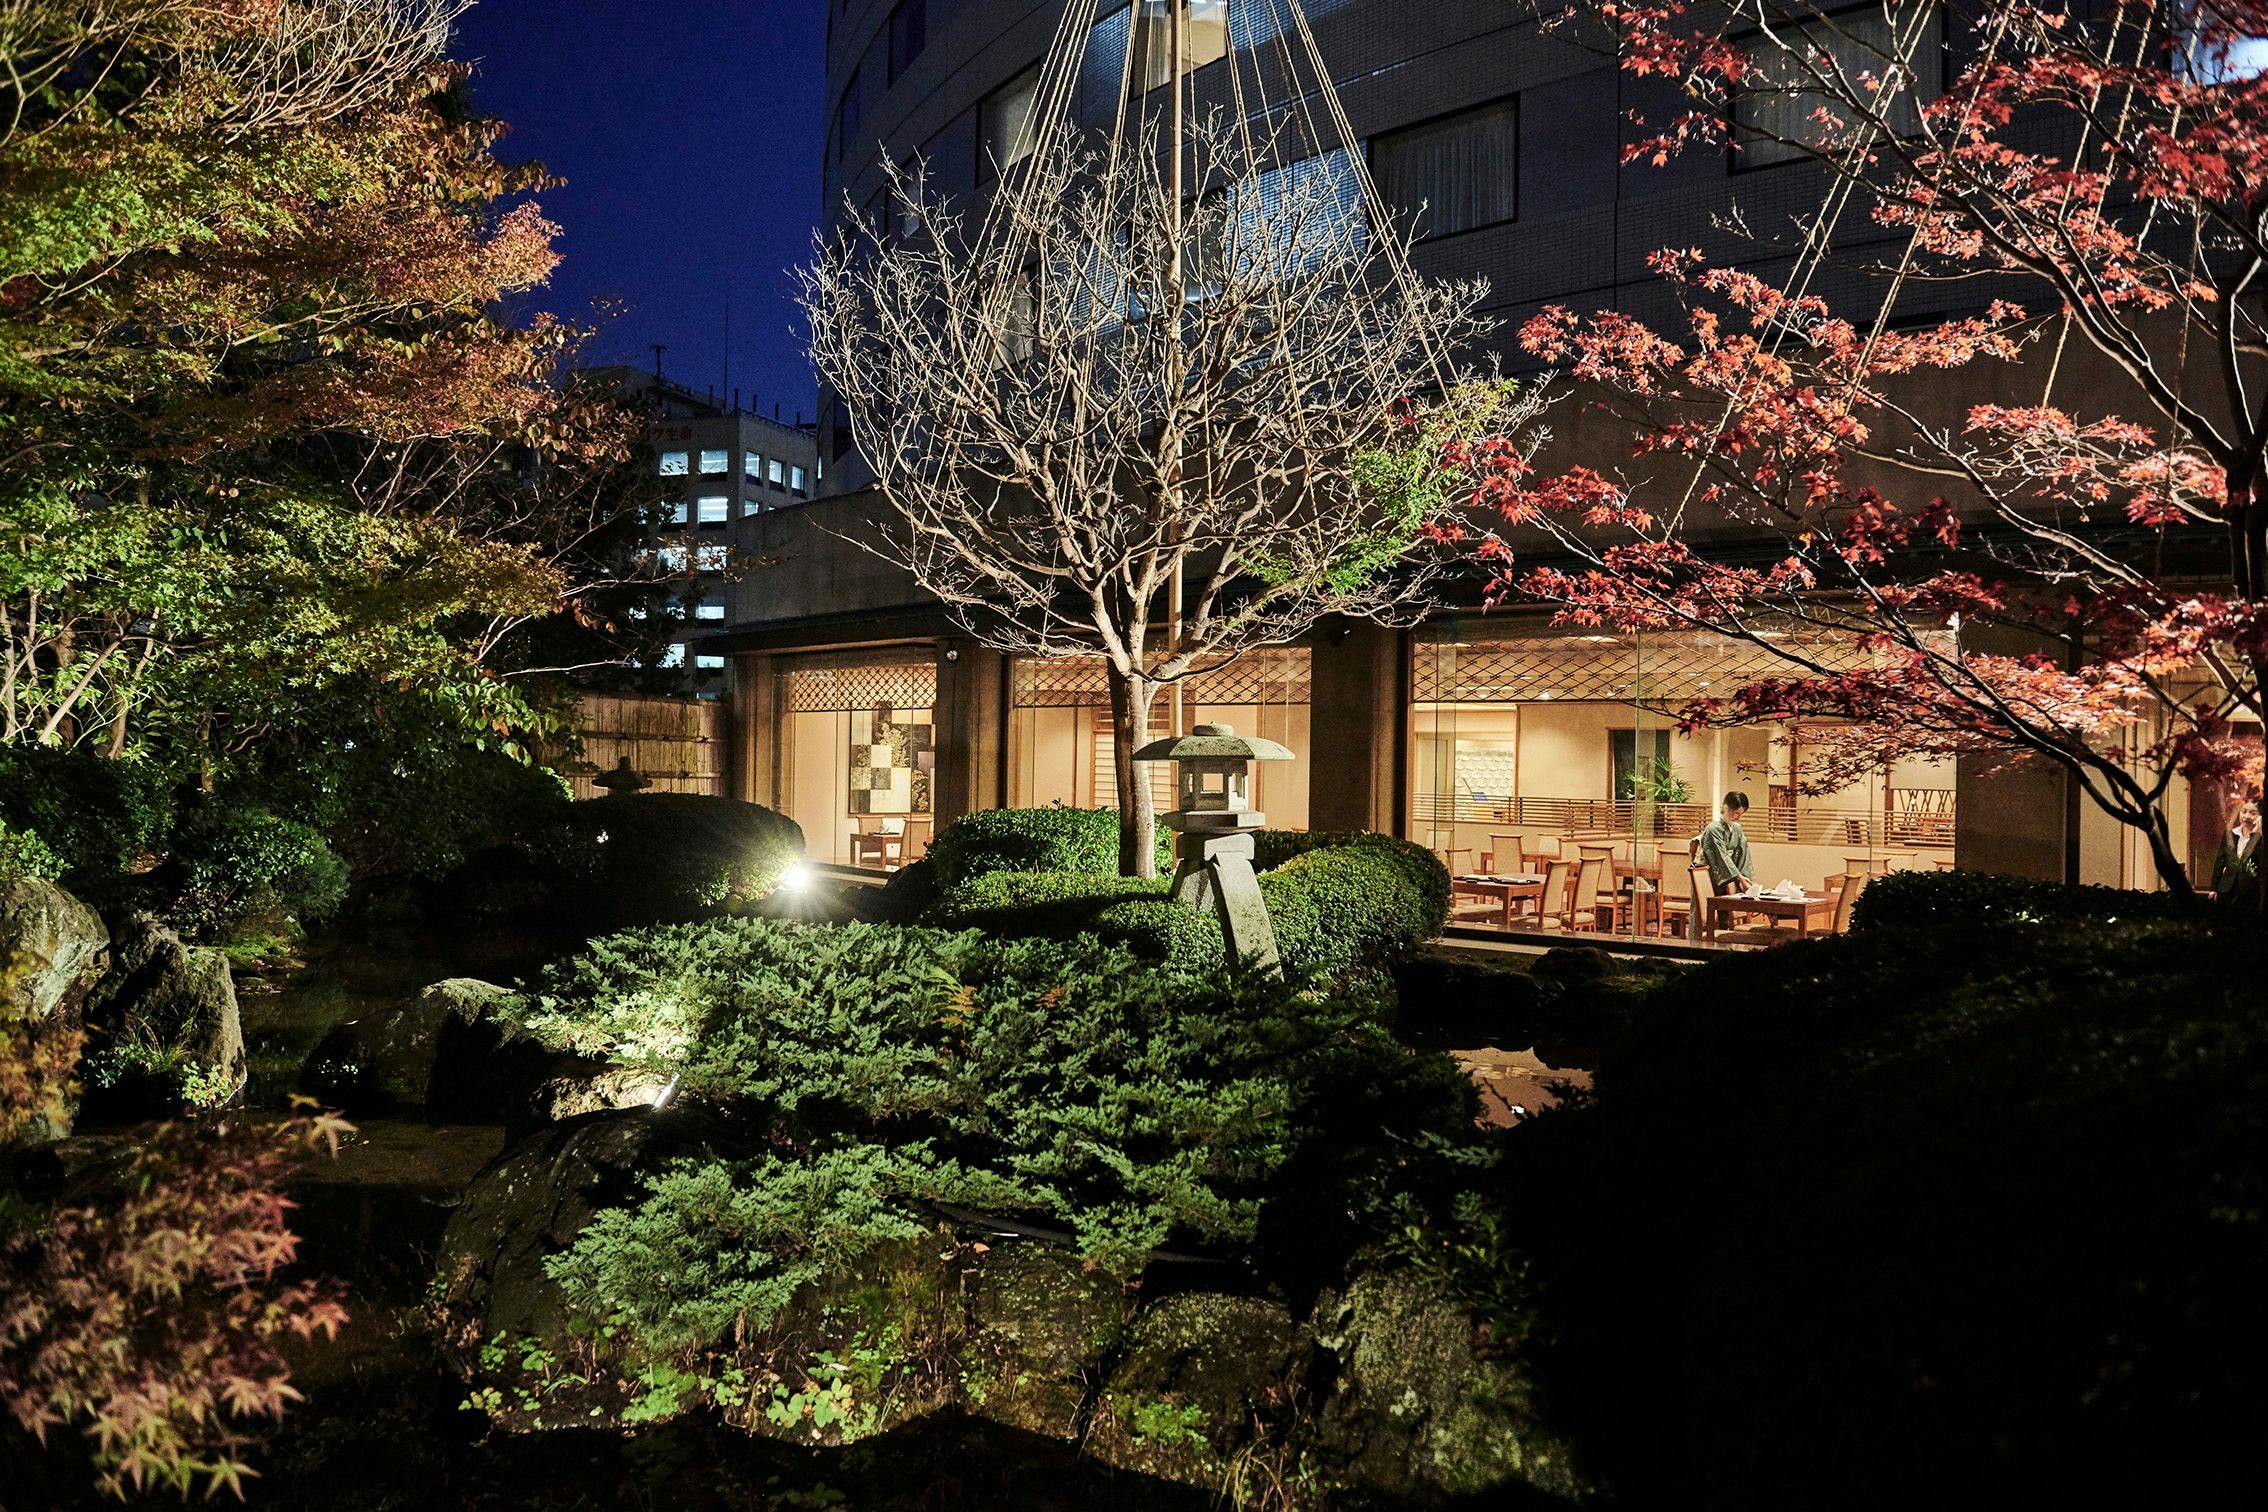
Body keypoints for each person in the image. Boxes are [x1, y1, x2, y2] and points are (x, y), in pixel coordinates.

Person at [1697, 790, 1759, 896]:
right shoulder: (1713, 829)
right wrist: (1738, 877)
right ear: (1726, 807)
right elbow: (1720, 856)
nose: (1738, 817)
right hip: (1712, 875)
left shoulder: (1737, 828)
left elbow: (1743, 854)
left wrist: (1745, 878)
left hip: (1730, 876)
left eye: (1741, 814)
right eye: (1736, 813)